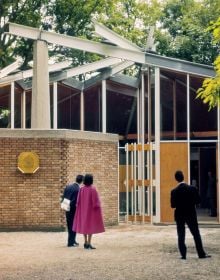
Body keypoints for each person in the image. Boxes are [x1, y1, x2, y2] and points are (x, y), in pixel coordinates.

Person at [170, 170, 211, 259]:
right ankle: (201, 254)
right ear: (183, 177)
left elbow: (172, 205)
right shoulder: (192, 189)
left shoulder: (174, 191)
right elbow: (198, 201)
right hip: (191, 213)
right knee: (196, 234)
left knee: (181, 235)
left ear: (176, 179)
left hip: (179, 215)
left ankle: (183, 255)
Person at [73, 174, 105, 249]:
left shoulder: (81, 189)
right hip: (91, 211)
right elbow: (96, 202)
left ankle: (85, 242)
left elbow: (78, 201)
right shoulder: (93, 189)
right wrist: (98, 206)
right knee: (90, 226)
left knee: (84, 226)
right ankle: (89, 243)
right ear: (91, 180)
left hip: (83, 210)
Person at [62, 174, 84, 247]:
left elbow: (64, 196)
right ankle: (70, 243)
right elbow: (75, 201)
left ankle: (73, 240)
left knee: (70, 225)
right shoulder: (78, 189)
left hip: (66, 207)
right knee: (73, 226)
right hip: (73, 210)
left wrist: (65, 206)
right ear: (82, 181)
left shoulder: (68, 186)